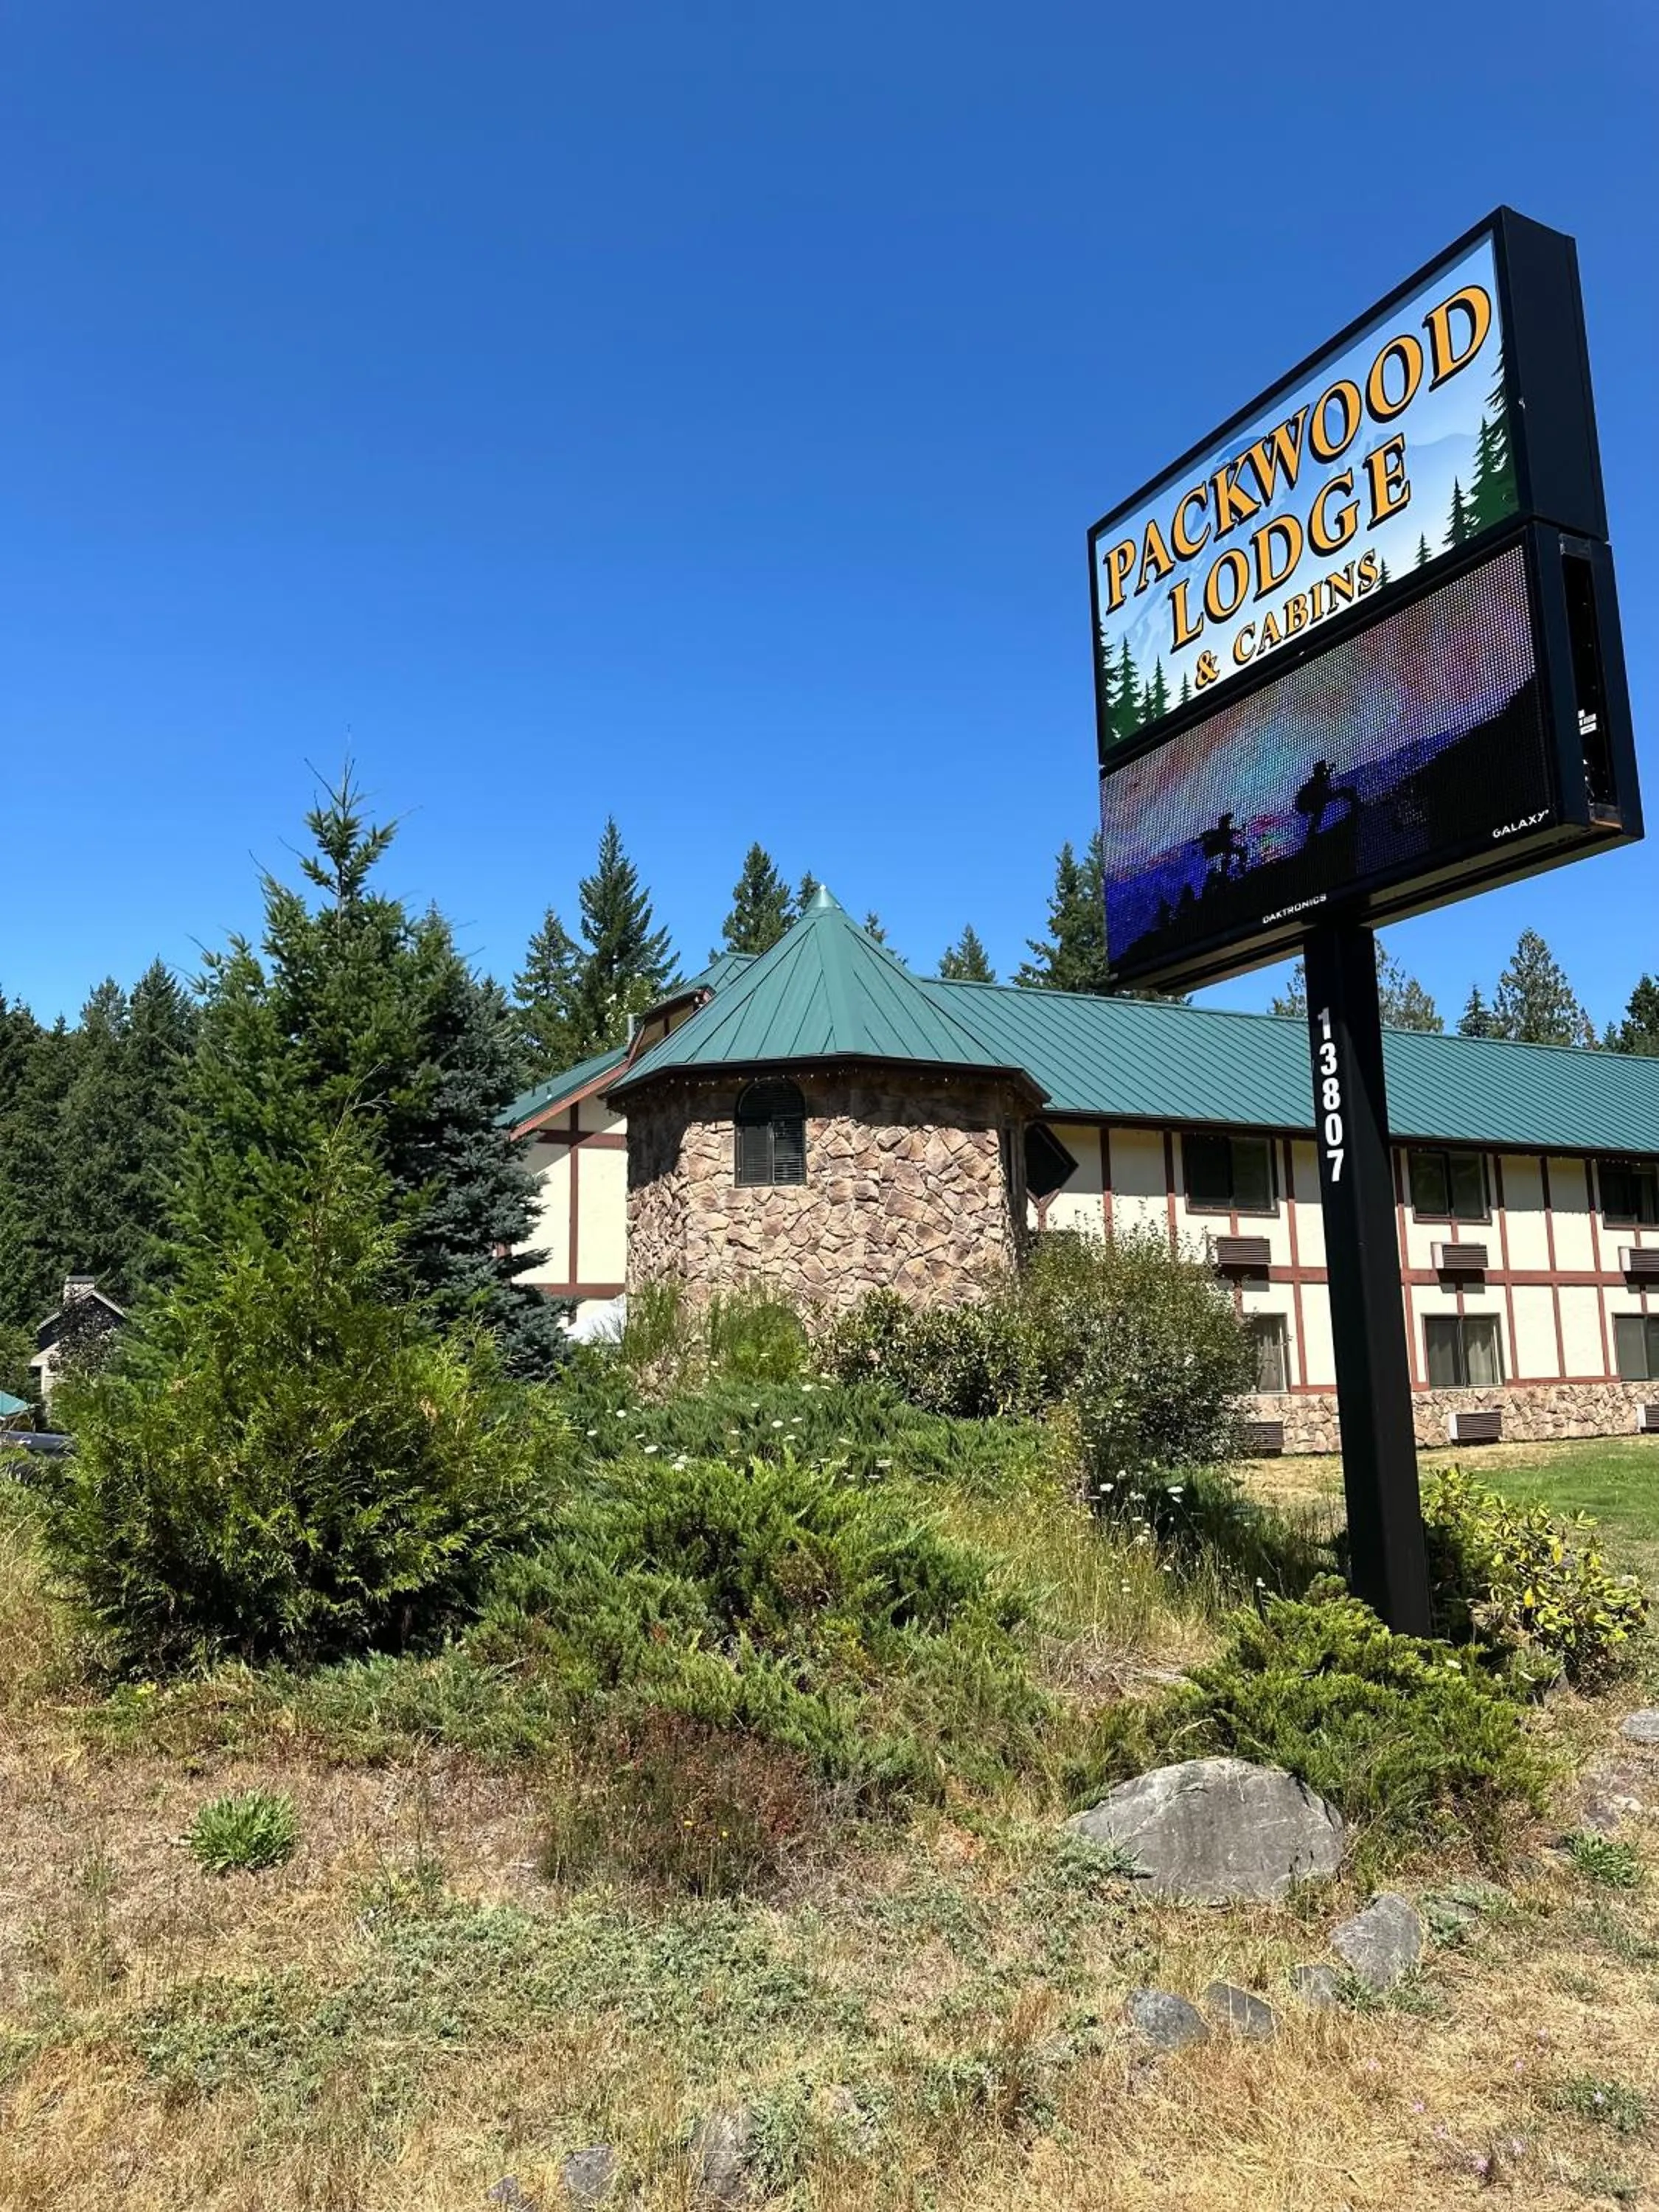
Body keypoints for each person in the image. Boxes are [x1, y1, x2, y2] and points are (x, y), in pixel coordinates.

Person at [1293, 759, 1358, 842]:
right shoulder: (1316, 780)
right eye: (1323, 769)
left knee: (1317, 816)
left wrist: (1329, 771)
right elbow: (1322, 783)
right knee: (1317, 816)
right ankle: (1311, 836)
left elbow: (1324, 781)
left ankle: (1311, 835)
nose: (1324, 770)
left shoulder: (1319, 778)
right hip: (1313, 801)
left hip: (1318, 800)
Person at [1198, 811, 1248, 880]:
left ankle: (1228, 871)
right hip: (1215, 848)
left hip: (1218, 848)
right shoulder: (1224, 834)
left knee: (1233, 853)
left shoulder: (1226, 835)